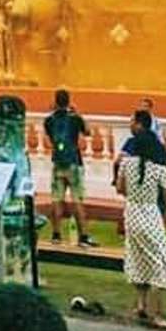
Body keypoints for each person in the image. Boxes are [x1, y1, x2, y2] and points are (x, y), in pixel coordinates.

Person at [115, 109, 166, 328]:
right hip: (150, 214)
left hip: (131, 213)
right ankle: (156, 313)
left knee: (137, 258)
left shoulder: (127, 165)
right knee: (158, 262)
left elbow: (120, 189)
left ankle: (141, 305)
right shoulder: (159, 169)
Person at [44, 88, 96, 246]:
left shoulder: (49, 120)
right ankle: (83, 236)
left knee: (56, 199)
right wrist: (77, 112)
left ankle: (56, 234)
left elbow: (49, 141)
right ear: (68, 101)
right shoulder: (74, 119)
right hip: (74, 161)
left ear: (55, 101)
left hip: (57, 162)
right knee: (77, 199)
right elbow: (88, 132)